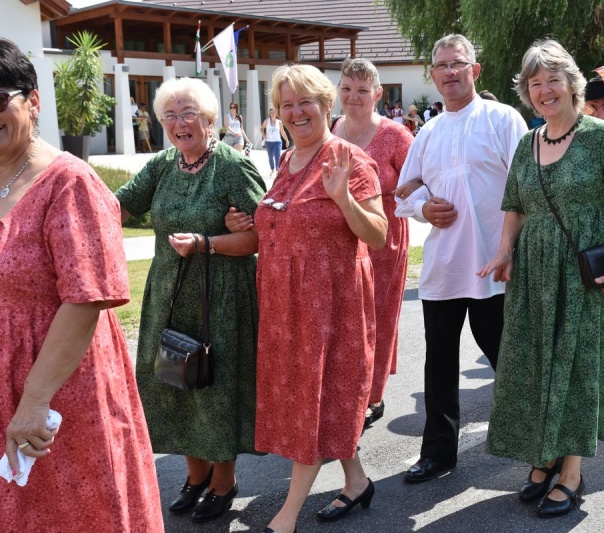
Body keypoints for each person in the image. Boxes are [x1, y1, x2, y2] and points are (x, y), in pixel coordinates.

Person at [0, 37, 163, 531]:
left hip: (59, 387)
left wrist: (35, 399)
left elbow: (86, 298)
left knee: (76, 510)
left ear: (33, 101)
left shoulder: (70, 182)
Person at [478, 38, 604, 519]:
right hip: (534, 271)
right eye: (535, 83)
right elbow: (515, 206)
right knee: (535, 363)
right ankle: (546, 453)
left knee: (576, 367)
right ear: (526, 92)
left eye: (553, 79)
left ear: (572, 85)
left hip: (585, 271)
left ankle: (571, 471)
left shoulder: (602, 138)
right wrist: (504, 250)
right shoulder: (528, 143)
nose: (544, 90)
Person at [225, 64, 387, 533]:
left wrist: (344, 200)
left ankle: (287, 516)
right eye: (286, 105)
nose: (296, 112)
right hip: (285, 307)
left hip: (330, 307)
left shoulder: (350, 160)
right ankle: (356, 481)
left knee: (313, 404)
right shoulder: (288, 160)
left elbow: (378, 235)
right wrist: (249, 224)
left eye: (305, 102)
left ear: (325, 104)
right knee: (321, 399)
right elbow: (286, 224)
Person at [115, 77, 266, 523]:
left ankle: (224, 481)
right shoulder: (163, 165)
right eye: (170, 115)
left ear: (210, 119)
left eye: (188, 114)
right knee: (173, 382)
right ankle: (196, 476)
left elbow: (262, 237)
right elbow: (116, 206)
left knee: (214, 387)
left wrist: (206, 242)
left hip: (220, 297)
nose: (179, 123)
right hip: (168, 294)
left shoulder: (232, 167)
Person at [394, 33, 528, 484]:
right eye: (442, 65)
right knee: (439, 366)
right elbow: (404, 193)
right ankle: (437, 453)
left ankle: (538, 445)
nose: (450, 72)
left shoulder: (502, 119)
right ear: (432, 75)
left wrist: (513, 249)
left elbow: (528, 186)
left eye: (458, 63)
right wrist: (423, 209)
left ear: (475, 70)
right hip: (444, 268)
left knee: (508, 360)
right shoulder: (428, 132)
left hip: (496, 265)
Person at [332, 57, 415, 427]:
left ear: (378, 94)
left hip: (383, 238)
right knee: (345, 317)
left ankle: (372, 395)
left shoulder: (395, 135)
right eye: (347, 89)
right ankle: (346, 387)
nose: (354, 96)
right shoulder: (332, 128)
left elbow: (422, 177)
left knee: (376, 317)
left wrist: (398, 193)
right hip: (341, 237)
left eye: (363, 90)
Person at [261, 107, 289, 177]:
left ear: (276, 113)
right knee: (270, 156)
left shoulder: (279, 122)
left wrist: (287, 140)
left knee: (277, 156)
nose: (272, 114)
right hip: (268, 142)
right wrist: (263, 134)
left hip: (277, 142)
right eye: (271, 113)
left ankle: (277, 170)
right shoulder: (266, 121)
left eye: (274, 113)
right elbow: (261, 128)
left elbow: (282, 132)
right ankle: (272, 169)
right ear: (269, 114)